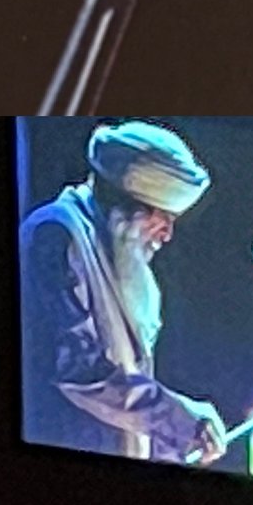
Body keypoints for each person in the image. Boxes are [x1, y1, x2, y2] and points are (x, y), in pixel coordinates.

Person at [20, 120, 228, 465]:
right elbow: (82, 372)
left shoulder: (117, 253)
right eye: (164, 217)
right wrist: (180, 420)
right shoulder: (56, 235)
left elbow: (129, 398)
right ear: (128, 206)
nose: (167, 235)